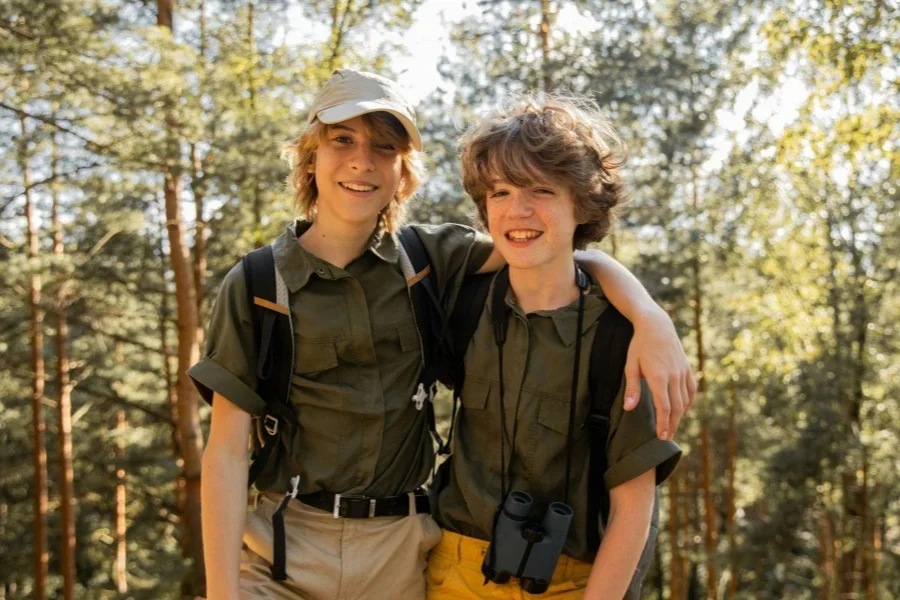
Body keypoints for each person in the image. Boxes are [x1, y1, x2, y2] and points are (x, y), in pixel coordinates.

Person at [190, 70, 692, 600]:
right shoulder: (257, 284)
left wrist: (648, 314)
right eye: (342, 139)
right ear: (308, 155)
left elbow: (553, 249)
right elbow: (225, 454)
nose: (362, 160)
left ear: (404, 172)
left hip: (402, 555)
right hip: (288, 549)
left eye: (384, 147)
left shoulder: (429, 262)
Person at [427, 95, 682, 599]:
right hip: (450, 573)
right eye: (499, 192)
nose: (516, 211)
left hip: (569, 582)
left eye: (540, 189)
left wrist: (648, 316)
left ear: (581, 205)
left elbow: (634, 509)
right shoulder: (462, 300)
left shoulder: (620, 340)